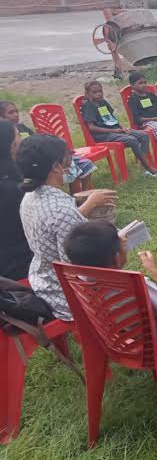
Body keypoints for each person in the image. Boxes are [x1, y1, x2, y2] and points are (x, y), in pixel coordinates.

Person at [16, 134, 116, 320]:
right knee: (140, 291)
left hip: (43, 279)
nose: (71, 164)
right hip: (66, 294)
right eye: (67, 159)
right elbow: (79, 269)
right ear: (55, 166)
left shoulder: (30, 197)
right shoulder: (59, 209)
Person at [63, 220, 157, 348]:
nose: (124, 243)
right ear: (116, 256)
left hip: (124, 335)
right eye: (121, 244)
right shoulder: (135, 285)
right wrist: (154, 270)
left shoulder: (79, 279)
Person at [0, 100, 96, 192]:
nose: (16, 115)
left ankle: (84, 194)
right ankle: (75, 196)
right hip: (35, 161)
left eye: (16, 111)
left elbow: (39, 141)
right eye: (11, 112)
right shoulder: (5, 133)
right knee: (70, 165)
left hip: (44, 155)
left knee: (83, 162)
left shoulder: (22, 127)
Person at [80, 80, 157, 177]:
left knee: (144, 136)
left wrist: (123, 127)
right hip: (103, 135)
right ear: (87, 93)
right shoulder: (88, 106)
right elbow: (92, 127)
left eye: (100, 91)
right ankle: (149, 168)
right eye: (94, 92)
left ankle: (143, 164)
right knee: (132, 140)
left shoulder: (102, 102)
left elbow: (112, 118)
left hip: (116, 131)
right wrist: (114, 130)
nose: (98, 94)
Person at [0, 119, 32, 281]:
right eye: (18, 135)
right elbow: (46, 225)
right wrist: (89, 205)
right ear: (11, 145)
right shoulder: (12, 190)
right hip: (21, 268)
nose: (21, 138)